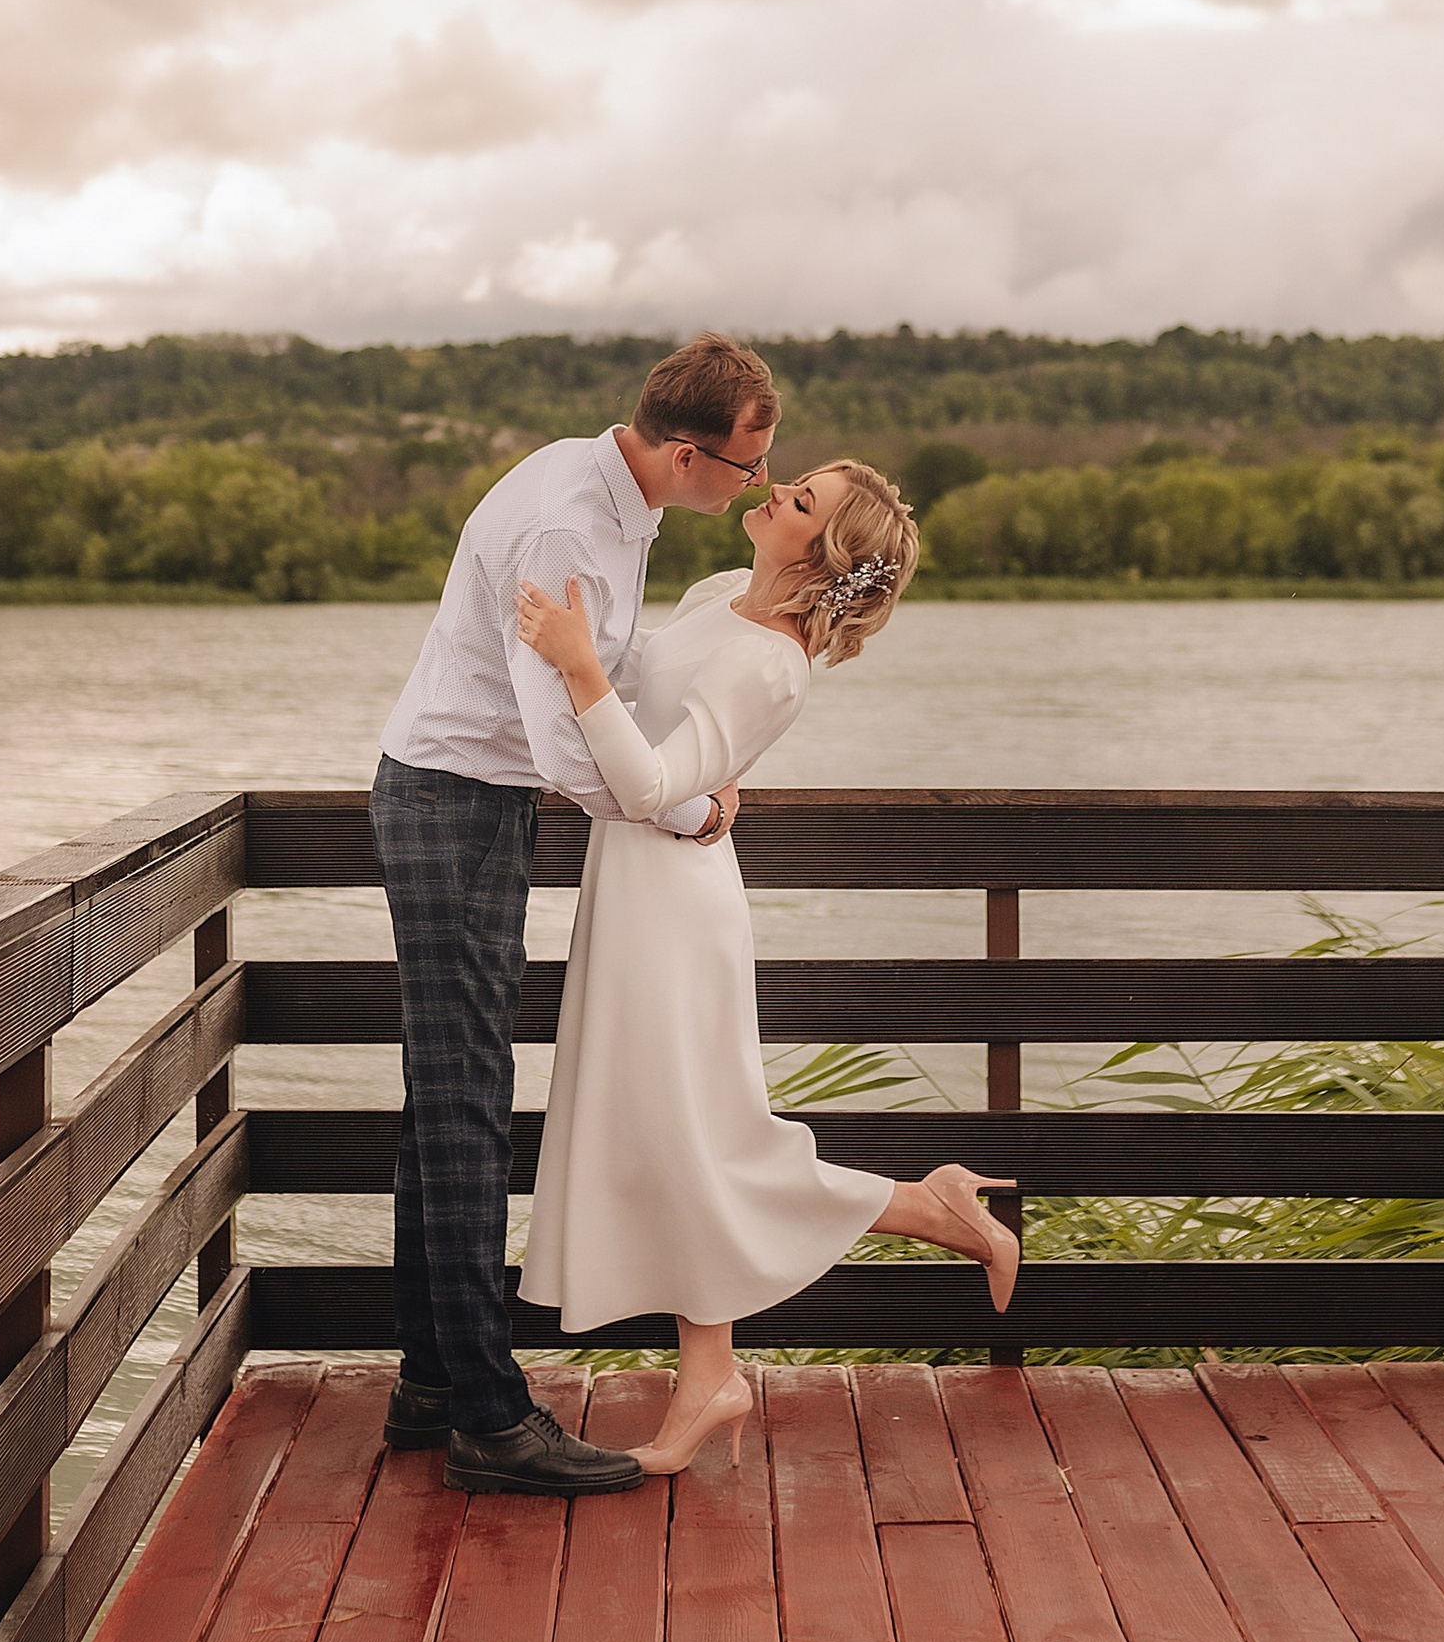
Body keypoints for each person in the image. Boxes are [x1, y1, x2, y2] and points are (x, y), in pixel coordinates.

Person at [512, 457, 1021, 1474]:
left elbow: (652, 778)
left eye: (802, 502)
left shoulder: (775, 665)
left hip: (673, 911)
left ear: (821, 552)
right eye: (792, 481)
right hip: (633, 887)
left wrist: (579, 667)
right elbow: (659, 733)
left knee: (705, 1137)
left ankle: (930, 1209)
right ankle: (712, 1377)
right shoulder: (712, 597)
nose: (778, 492)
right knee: (675, 1136)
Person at [368, 333, 780, 1494]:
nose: (752, 485)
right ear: (690, 452)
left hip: (468, 801)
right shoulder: (569, 525)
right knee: (464, 1106)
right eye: (749, 467)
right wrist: (686, 805)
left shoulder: (600, 485)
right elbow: (560, 743)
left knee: (448, 1096)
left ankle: (434, 1384)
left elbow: (595, 678)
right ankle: (491, 1422)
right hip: (456, 804)